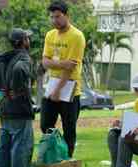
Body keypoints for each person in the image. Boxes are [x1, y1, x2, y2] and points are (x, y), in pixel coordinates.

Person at [0, 28, 34, 167]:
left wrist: (3, 88)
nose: (29, 40)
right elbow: (20, 69)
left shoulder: (4, 58)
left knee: (4, 146)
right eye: (27, 38)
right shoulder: (24, 58)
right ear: (23, 42)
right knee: (22, 146)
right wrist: (19, 89)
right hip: (19, 109)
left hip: (5, 108)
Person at [40, 0, 86, 158]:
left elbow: (71, 68)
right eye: (52, 17)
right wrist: (61, 63)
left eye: (58, 17)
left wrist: (58, 90)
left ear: (67, 15)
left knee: (69, 128)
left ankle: (67, 160)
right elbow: (45, 62)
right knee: (45, 124)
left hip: (70, 88)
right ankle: (54, 153)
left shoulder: (77, 36)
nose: (54, 20)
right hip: (52, 84)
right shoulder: (50, 35)